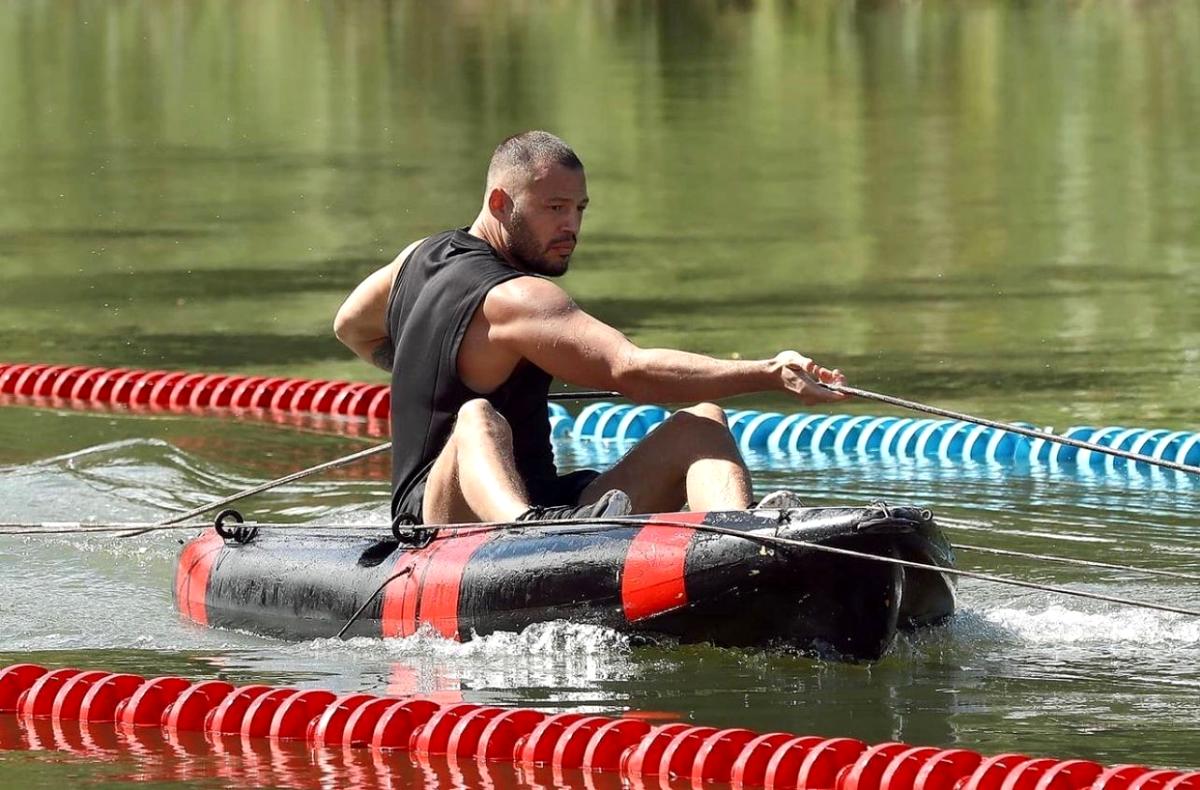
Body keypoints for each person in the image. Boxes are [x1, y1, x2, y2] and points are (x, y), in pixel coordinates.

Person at [334, 130, 847, 533]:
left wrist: (416, 368)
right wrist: (770, 373)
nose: (571, 227)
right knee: (476, 420)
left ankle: (740, 541)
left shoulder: (417, 257)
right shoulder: (518, 298)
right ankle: (527, 538)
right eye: (554, 208)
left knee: (703, 424)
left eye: (578, 209)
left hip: (546, 502)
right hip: (441, 521)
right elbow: (631, 370)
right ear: (500, 204)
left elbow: (351, 327)